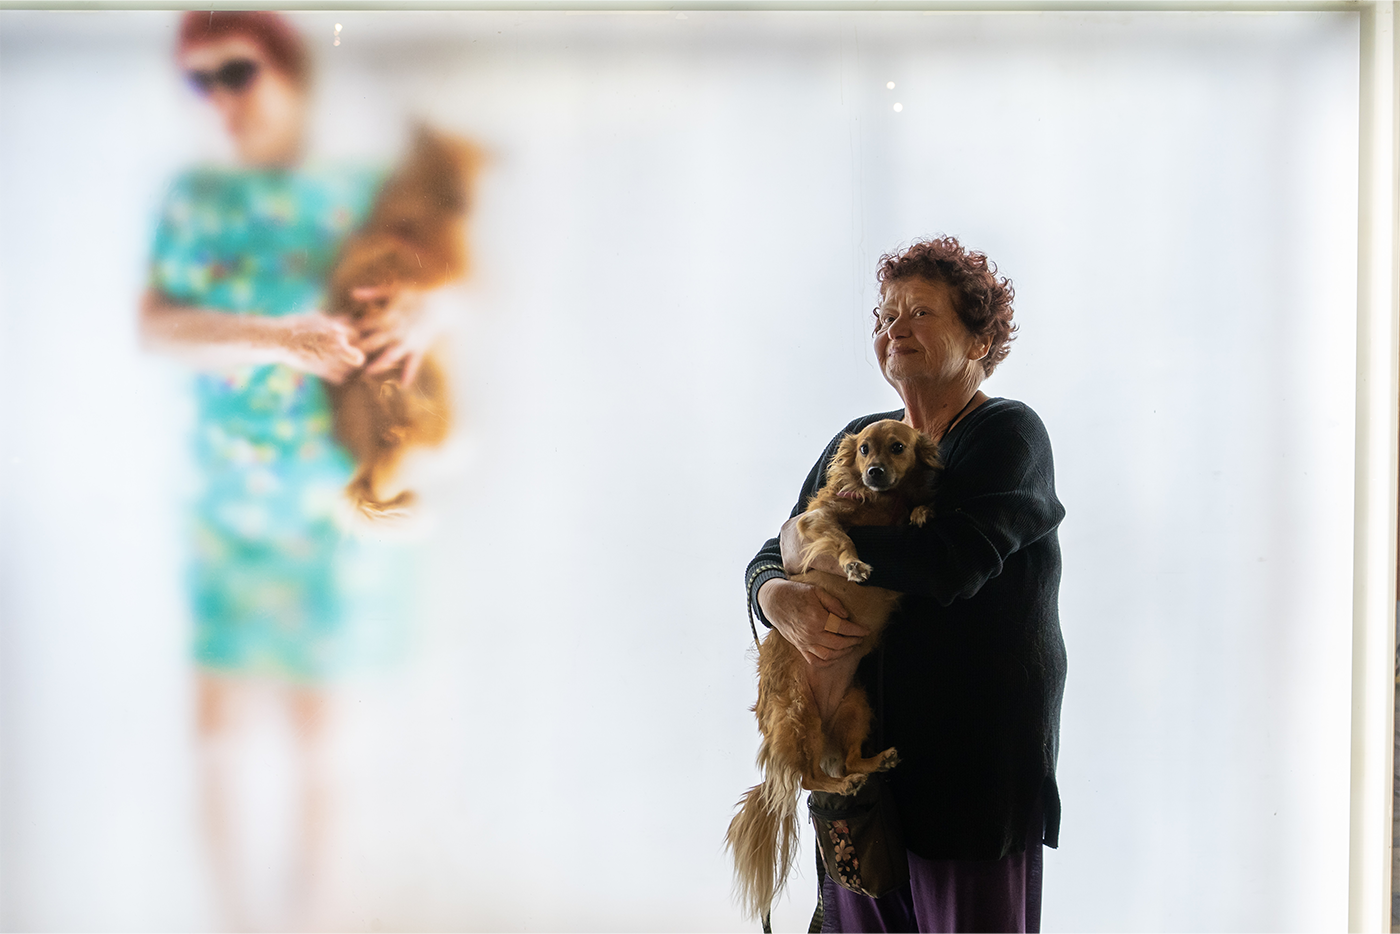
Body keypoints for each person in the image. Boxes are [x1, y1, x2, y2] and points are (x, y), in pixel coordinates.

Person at [141, 13, 449, 932]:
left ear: (288, 72)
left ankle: (315, 915)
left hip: (331, 505)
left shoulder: (357, 192)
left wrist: (427, 313)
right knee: (216, 738)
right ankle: (231, 916)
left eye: (236, 72)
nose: (222, 99)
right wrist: (276, 338)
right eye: (201, 81)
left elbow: (443, 285)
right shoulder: (195, 198)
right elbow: (157, 326)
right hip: (225, 504)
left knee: (322, 741)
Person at [745, 237, 1066, 934]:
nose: (895, 327)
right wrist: (776, 595)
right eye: (885, 314)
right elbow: (774, 553)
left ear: (981, 339)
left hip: (968, 780)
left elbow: (950, 561)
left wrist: (814, 543)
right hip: (859, 773)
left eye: (920, 312)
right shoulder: (861, 438)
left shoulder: (1007, 434)